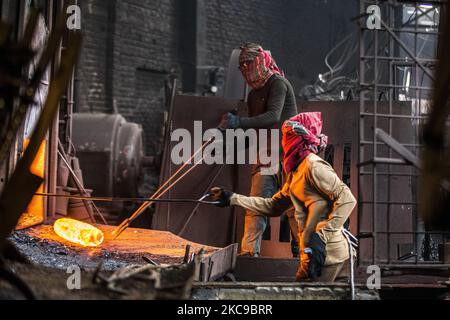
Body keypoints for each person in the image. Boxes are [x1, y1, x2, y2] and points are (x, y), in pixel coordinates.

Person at [212, 112, 357, 282]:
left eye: (288, 137)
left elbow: (348, 199)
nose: (284, 142)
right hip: (316, 254)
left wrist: (321, 236)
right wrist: (232, 198)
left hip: (329, 255)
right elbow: (272, 206)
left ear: (298, 140)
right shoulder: (296, 172)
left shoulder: (313, 166)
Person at [219, 42, 298, 257]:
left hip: (288, 156)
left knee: (294, 208)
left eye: (249, 64)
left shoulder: (278, 84)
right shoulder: (254, 95)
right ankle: (248, 254)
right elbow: (256, 128)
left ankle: (304, 257)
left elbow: (273, 117)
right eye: (242, 66)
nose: (246, 69)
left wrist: (239, 122)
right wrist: (231, 143)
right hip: (266, 155)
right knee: (255, 206)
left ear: (260, 62)